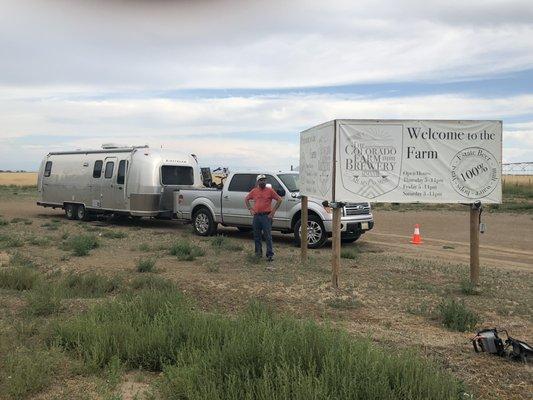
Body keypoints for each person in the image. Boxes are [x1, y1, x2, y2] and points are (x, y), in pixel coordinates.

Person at [245, 174, 282, 262]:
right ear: (258, 182)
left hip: (266, 216)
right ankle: (258, 253)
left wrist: (273, 212)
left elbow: (279, 200)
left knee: (268, 236)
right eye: (261, 180)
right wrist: (250, 209)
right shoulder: (254, 191)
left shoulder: (270, 191)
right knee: (257, 236)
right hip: (257, 216)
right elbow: (246, 199)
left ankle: (270, 255)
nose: (263, 182)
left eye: (264, 180)